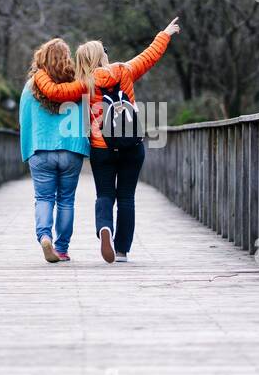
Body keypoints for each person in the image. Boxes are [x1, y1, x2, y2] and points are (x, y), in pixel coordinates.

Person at [32, 18, 180, 263]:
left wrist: (39, 75)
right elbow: (150, 56)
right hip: (131, 145)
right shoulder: (124, 70)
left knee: (105, 196)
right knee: (127, 198)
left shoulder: (83, 84)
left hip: (103, 148)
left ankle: (104, 229)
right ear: (103, 56)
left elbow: (54, 92)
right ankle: (122, 250)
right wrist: (165, 34)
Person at [19, 38, 89, 262]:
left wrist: (28, 147)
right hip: (71, 150)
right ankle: (62, 248)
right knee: (66, 199)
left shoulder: (31, 86)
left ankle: (44, 237)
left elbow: (24, 119)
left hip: (41, 149)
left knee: (43, 198)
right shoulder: (78, 83)